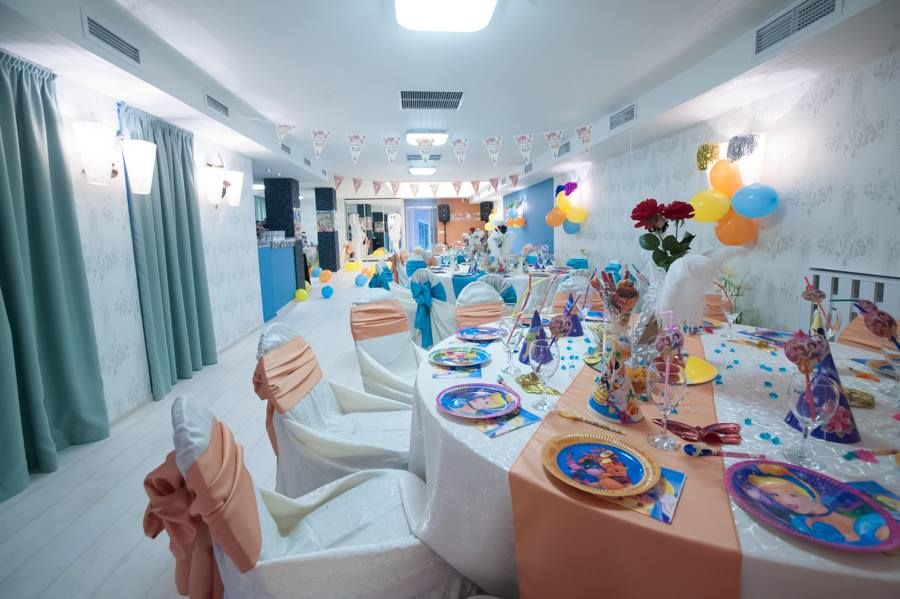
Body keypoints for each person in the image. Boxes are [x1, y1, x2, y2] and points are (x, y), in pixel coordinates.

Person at [747, 468, 890, 545]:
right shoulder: (799, 522)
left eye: (792, 495)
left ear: (809, 493)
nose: (784, 502)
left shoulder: (871, 521)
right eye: (775, 496)